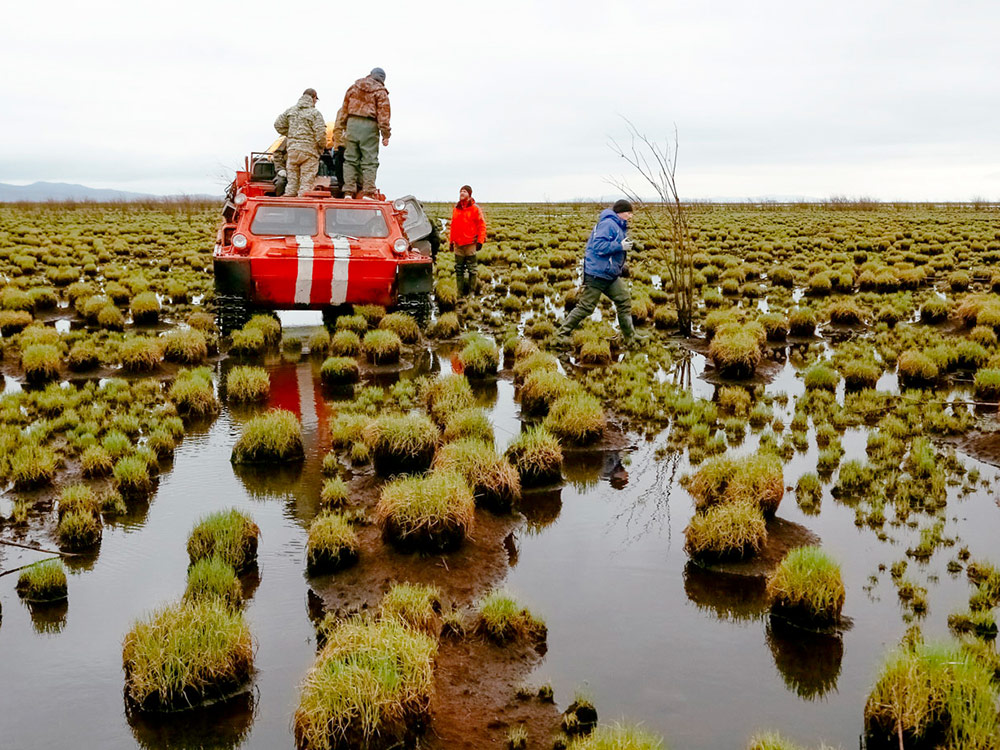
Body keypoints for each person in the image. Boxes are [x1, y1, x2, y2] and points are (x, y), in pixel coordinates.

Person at [554, 199, 636, 347]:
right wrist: (620, 246)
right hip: (597, 274)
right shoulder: (608, 224)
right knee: (586, 307)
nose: (630, 216)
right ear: (620, 212)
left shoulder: (618, 226)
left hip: (609, 275)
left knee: (624, 301)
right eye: (628, 213)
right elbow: (598, 246)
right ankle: (560, 336)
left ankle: (630, 338)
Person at [335, 68, 391, 198]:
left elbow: (344, 108)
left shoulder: (354, 87)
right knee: (369, 160)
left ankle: (348, 191)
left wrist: (343, 126)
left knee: (350, 159)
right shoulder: (381, 92)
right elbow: (384, 115)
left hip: (352, 124)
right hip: (369, 126)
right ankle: (368, 192)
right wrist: (385, 135)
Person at [274, 88, 326, 197]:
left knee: (291, 186)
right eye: (316, 99)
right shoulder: (315, 113)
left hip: (292, 152)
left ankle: (288, 208)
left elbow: (277, 125)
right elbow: (321, 134)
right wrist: (321, 147)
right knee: (305, 187)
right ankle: (302, 210)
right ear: (313, 98)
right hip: (309, 153)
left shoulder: (290, 111)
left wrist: (292, 134)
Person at [449, 185, 487, 297]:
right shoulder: (456, 209)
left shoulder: (475, 209)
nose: (462, 193)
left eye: (464, 191)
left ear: (469, 194)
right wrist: (451, 242)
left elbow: (482, 225)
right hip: (458, 245)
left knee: (472, 270)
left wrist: (480, 241)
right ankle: (460, 292)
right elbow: (453, 226)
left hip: (470, 243)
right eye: (460, 191)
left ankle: (471, 292)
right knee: (459, 269)